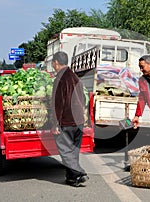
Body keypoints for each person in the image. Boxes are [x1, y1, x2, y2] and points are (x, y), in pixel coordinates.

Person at [50, 51, 89, 187]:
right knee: (73, 150)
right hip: (79, 120)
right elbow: (83, 98)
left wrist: (55, 124)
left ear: (56, 62)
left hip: (67, 120)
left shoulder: (60, 79)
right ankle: (71, 178)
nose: (53, 66)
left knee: (65, 149)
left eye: (53, 63)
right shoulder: (75, 77)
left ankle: (79, 173)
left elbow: (58, 103)